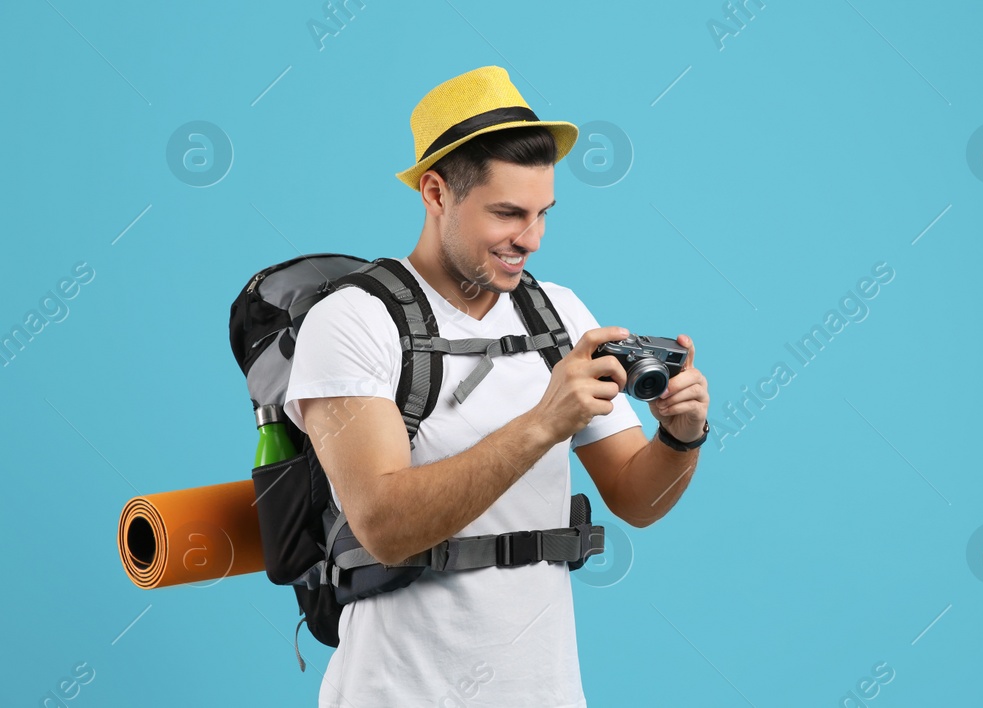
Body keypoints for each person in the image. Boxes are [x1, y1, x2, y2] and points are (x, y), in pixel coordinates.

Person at [282, 65, 711, 707]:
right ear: (436, 193)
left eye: (543, 214)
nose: (531, 240)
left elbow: (638, 501)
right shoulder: (353, 319)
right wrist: (544, 422)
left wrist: (680, 437)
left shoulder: (557, 313)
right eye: (508, 213)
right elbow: (385, 528)